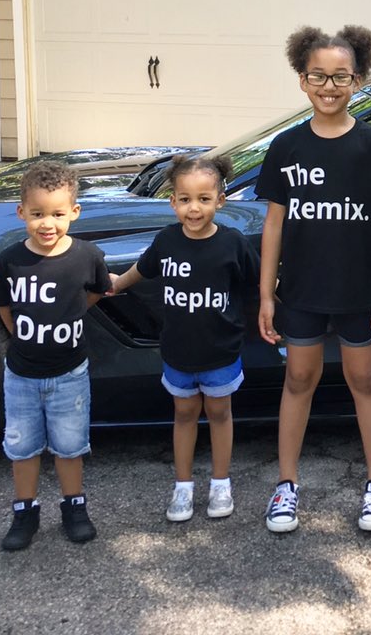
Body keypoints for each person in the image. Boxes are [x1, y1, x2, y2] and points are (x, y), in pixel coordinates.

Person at [256, 24, 371, 535]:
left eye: (340, 76)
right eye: (318, 76)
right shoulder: (286, 146)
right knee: (298, 380)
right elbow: (274, 223)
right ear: (302, 79)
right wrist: (266, 293)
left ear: (358, 79)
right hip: (301, 291)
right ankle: (286, 484)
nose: (329, 86)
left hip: (359, 291)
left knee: (364, 380)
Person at [108, 154, 259, 523]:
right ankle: (183, 486)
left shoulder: (233, 244)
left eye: (204, 199)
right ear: (173, 201)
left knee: (220, 414)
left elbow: (260, 281)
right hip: (178, 352)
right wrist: (117, 284)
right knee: (184, 414)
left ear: (220, 201)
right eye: (186, 199)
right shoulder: (167, 241)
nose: (194, 208)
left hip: (221, 352)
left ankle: (220, 483)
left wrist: (277, 301)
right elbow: (142, 269)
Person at [0, 160, 111, 551]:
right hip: (21, 375)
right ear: (21, 212)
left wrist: (71, 315)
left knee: (70, 446)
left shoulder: (86, 256)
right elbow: (3, 306)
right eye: (38, 213)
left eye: (58, 214)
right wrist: (21, 335)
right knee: (22, 448)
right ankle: (25, 512)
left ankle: (74, 507)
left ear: (74, 212)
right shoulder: (10, 260)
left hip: (69, 374)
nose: (47, 224)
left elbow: (96, 292)